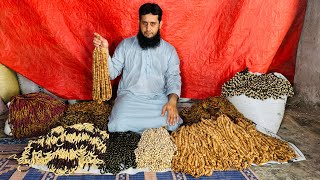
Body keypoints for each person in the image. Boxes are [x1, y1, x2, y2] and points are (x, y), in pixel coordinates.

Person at [93, 3, 182, 133]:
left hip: (157, 100)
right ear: (139, 22)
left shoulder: (169, 50)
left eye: (153, 24)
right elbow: (112, 74)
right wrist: (104, 51)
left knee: (172, 124)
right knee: (118, 124)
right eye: (144, 23)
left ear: (160, 24)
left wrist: (172, 102)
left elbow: (174, 77)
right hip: (130, 99)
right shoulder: (125, 45)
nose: (148, 28)